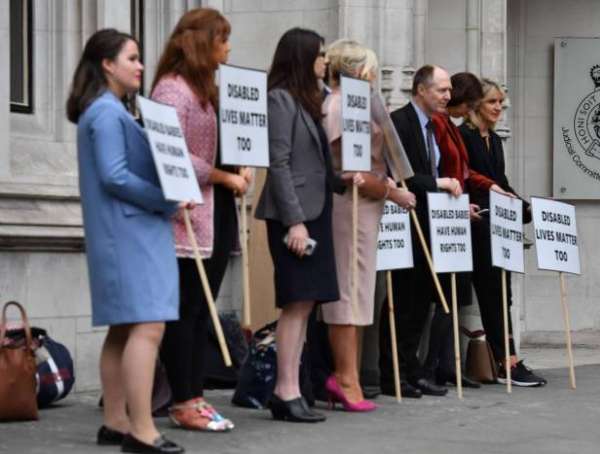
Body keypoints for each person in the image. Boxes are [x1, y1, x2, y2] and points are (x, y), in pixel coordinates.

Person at [66, 29, 184, 453]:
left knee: (123, 328)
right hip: (130, 232)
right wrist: (166, 199)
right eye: (131, 58)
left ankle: (116, 422)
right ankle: (141, 428)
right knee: (148, 326)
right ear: (107, 64)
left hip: (122, 232)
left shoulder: (104, 111)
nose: (139, 65)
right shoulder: (107, 113)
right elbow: (115, 175)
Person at [151, 8, 250, 431]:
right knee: (186, 308)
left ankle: (195, 396)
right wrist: (224, 175)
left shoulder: (206, 89)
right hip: (185, 217)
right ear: (201, 42)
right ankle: (183, 399)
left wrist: (242, 163)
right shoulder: (172, 90)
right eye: (222, 39)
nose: (228, 48)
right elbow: (171, 149)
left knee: (198, 310)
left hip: (213, 213)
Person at [255, 27, 347, 423]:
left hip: (316, 211)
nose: (325, 61)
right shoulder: (279, 99)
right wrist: (295, 223)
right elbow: (279, 163)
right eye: (320, 54)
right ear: (301, 57)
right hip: (294, 217)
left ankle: (292, 388)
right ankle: (285, 390)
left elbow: (316, 163)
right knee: (295, 304)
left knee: (306, 305)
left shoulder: (307, 101)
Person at [320, 40, 416, 411]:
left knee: (360, 290)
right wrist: (392, 192)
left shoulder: (357, 103)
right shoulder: (341, 104)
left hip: (366, 206)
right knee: (349, 288)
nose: (374, 76)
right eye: (372, 70)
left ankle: (351, 375)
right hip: (350, 206)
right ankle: (345, 376)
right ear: (359, 71)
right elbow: (348, 170)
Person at [425, 72, 513, 388]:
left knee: (458, 294)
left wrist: (496, 190)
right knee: (446, 294)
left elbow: (464, 172)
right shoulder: (441, 125)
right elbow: (442, 171)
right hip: (446, 215)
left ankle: (447, 365)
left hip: (462, 213)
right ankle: (432, 365)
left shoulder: (450, 126)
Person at [379, 65, 462, 398]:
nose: (447, 96)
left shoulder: (434, 128)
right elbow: (404, 177)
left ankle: (411, 369)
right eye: (442, 90)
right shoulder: (399, 122)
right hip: (406, 221)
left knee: (420, 302)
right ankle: (392, 372)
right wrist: (439, 183)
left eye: (449, 90)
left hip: (430, 225)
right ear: (421, 90)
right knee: (402, 299)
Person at [459, 78, 547, 387]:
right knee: (491, 293)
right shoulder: (464, 136)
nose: (498, 107)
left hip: (499, 226)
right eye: (492, 102)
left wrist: (527, 208)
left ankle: (507, 357)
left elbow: (501, 181)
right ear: (476, 106)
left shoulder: (494, 140)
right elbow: (468, 179)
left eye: (501, 103)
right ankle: (504, 360)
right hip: (476, 225)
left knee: (501, 293)